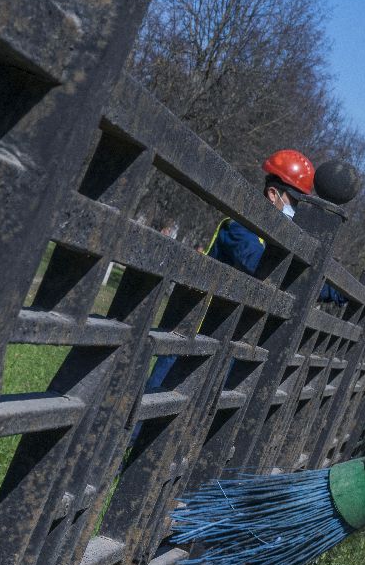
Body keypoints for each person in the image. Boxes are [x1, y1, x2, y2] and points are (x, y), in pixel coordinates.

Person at [142, 149, 341, 396]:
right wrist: (312, 278)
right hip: (193, 331)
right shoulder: (240, 228)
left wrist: (334, 290)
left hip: (229, 336)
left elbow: (296, 279)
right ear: (273, 194)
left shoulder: (274, 241)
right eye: (294, 202)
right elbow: (265, 269)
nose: (297, 211)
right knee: (159, 399)